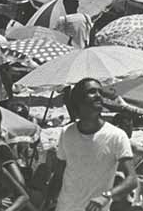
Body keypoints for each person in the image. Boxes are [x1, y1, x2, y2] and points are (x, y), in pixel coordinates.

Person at [46, 78, 137, 211]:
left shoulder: (116, 135)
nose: (98, 95)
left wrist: (107, 195)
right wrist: (48, 200)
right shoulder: (67, 132)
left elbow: (132, 179)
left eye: (100, 92)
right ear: (79, 100)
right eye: (92, 92)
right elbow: (59, 174)